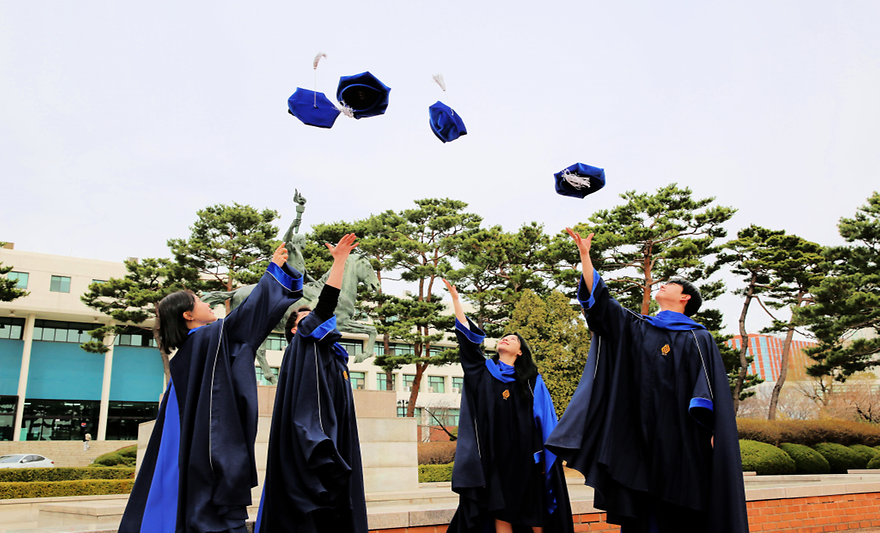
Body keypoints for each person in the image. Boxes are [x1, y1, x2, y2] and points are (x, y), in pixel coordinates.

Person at [545, 229, 748, 533]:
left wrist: (713, 432)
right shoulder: (639, 328)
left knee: (679, 510)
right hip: (637, 435)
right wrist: (586, 257)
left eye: (671, 283)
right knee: (641, 506)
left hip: (681, 439)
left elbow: (708, 391)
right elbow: (601, 305)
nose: (662, 284)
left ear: (685, 297)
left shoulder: (698, 337)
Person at [119, 244, 303, 533]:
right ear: (187, 315)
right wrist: (272, 275)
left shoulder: (198, 346)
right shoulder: (205, 340)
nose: (206, 303)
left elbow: (247, 328)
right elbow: (245, 320)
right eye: (198, 301)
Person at [256, 234, 368, 533]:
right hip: (313, 440)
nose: (313, 319)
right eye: (305, 318)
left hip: (336, 435)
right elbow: (327, 304)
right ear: (296, 330)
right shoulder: (305, 342)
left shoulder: (333, 355)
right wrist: (340, 262)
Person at [442, 279, 573, 533]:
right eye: (504, 337)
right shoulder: (484, 373)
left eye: (512, 339)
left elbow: (545, 420)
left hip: (528, 457)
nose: (506, 339)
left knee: (535, 515)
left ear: (520, 352)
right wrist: (457, 301)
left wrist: (547, 456)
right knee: (501, 514)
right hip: (496, 458)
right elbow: (468, 345)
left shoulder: (532, 381)